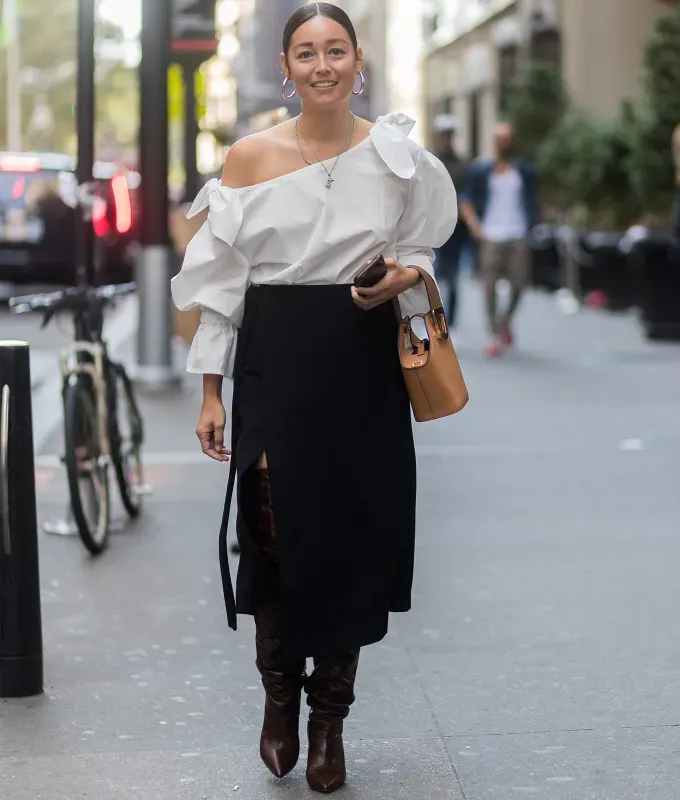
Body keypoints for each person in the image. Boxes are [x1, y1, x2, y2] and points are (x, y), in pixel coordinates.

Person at [170, 3, 457, 794]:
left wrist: (402, 274)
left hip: (360, 364)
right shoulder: (248, 158)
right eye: (306, 52)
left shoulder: (401, 157)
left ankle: (329, 717)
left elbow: (425, 244)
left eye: (336, 50)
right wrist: (210, 393)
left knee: (354, 536)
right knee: (270, 532)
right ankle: (278, 699)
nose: (323, 64)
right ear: (287, 66)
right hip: (273, 360)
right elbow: (219, 287)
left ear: (358, 63)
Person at [460, 121, 539, 357]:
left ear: (512, 141)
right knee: (489, 286)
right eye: (498, 138)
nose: (503, 142)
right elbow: (466, 201)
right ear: (493, 142)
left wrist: (535, 222)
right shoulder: (482, 170)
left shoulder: (523, 171)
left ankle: (505, 319)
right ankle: (494, 335)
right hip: (491, 235)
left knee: (520, 284)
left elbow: (533, 199)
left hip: (517, 233)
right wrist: (475, 226)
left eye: (506, 137)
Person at [431, 114, 469, 330]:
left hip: (455, 229)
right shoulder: (429, 161)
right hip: (432, 228)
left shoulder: (463, 165)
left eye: (448, 135)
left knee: (452, 276)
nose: (446, 139)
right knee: (432, 276)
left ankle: (450, 323)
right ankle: (436, 320)